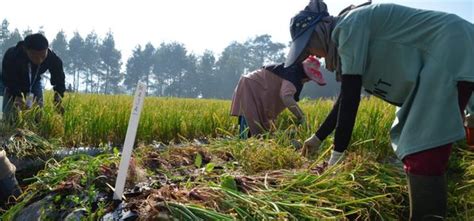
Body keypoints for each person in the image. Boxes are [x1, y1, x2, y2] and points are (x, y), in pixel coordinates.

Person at [285, 0, 474, 220]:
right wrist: (317, 138)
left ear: (320, 30)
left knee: (421, 146)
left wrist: (335, 157)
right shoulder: (348, 31)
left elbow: (351, 98)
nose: (313, 54)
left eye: (309, 45)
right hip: (450, 49)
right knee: (431, 138)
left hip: (448, 50)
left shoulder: (348, 28)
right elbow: (346, 95)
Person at [231, 55, 325, 138]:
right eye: (309, 79)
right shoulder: (293, 76)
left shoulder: (291, 71)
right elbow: (286, 97)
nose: (308, 81)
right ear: (306, 75)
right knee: (251, 120)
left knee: (257, 125)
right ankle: (242, 142)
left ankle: (243, 140)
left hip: (252, 85)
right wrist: (301, 117)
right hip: (251, 87)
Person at [2, 33, 66, 119]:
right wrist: (16, 95)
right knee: (10, 115)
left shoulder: (53, 59)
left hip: (33, 82)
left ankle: (34, 129)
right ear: (25, 50)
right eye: (35, 56)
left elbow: (59, 78)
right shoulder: (12, 55)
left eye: (43, 56)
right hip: (12, 82)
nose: (39, 60)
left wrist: (58, 96)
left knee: (37, 113)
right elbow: (8, 78)